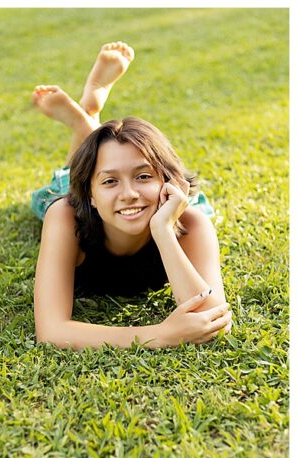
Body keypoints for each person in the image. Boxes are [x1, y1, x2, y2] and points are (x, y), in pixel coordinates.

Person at [23, 41, 231, 349]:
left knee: (99, 169)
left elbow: (212, 320)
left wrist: (162, 229)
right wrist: (159, 335)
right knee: (65, 180)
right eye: (110, 183)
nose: (130, 194)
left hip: (159, 210)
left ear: (168, 181)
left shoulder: (193, 224)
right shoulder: (66, 215)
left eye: (144, 176)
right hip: (74, 193)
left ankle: (88, 124)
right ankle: (86, 123)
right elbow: (51, 331)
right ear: (91, 196)